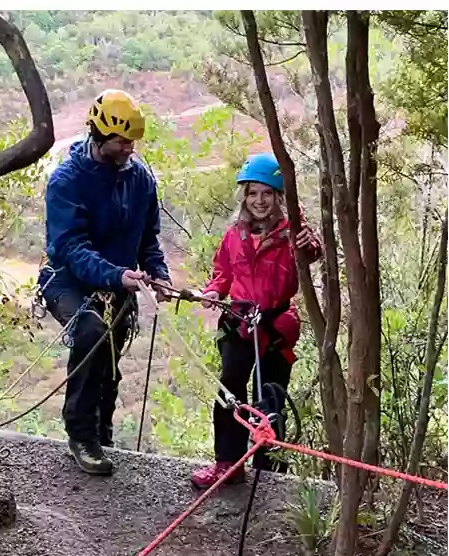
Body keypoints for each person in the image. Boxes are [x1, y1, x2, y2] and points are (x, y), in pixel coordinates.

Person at [38, 89, 172, 476]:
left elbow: (147, 238)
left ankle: (102, 432)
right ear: (99, 135)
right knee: (92, 332)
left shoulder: (140, 178)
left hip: (118, 283)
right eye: (122, 140)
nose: (130, 147)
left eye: (132, 140)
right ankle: (81, 435)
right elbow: (71, 247)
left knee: (110, 355)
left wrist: (159, 275)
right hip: (68, 280)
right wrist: (115, 275)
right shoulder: (68, 181)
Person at [190, 152, 322, 489]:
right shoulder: (235, 235)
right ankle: (228, 464)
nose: (259, 201)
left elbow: (311, 255)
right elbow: (223, 271)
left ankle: (269, 472)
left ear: (278, 197)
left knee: (271, 396)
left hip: (276, 325)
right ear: (244, 197)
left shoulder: (294, 233)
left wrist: (308, 246)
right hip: (240, 320)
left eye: (266, 193)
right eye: (252, 193)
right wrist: (213, 292)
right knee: (230, 388)